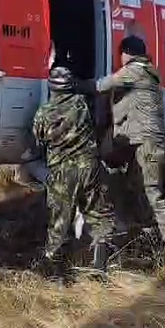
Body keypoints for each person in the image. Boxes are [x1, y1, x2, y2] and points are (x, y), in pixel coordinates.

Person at [77, 35, 165, 264]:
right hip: (145, 142)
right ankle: (147, 234)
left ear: (127, 53)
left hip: (146, 143)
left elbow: (102, 85)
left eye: (121, 54)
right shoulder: (148, 72)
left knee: (152, 195)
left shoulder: (135, 70)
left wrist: (75, 85)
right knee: (136, 187)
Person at [31, 65, 119, 282]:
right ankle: (99, 269)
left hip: (62, 172)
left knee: (60, 222)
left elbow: (38, 140)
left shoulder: (44, 113)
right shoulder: (82, 105)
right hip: (89, 167)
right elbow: (100, 122)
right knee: (99, 217)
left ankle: (60, 275)